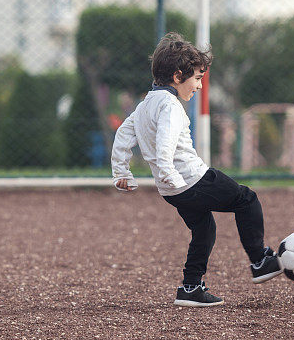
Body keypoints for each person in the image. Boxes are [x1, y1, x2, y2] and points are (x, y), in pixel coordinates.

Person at [111, 32, 282, 307]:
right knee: (246, 199)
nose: (200, 86)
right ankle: (260, 260)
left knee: (204, 230)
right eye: (198, 78)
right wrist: (168, 170)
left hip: (171, 190)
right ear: (178, 76)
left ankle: (190, 288)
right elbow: (165, 140)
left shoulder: (145, 105)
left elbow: (123, 134)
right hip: (191, 179)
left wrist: (121, 172)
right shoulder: (170, 106)